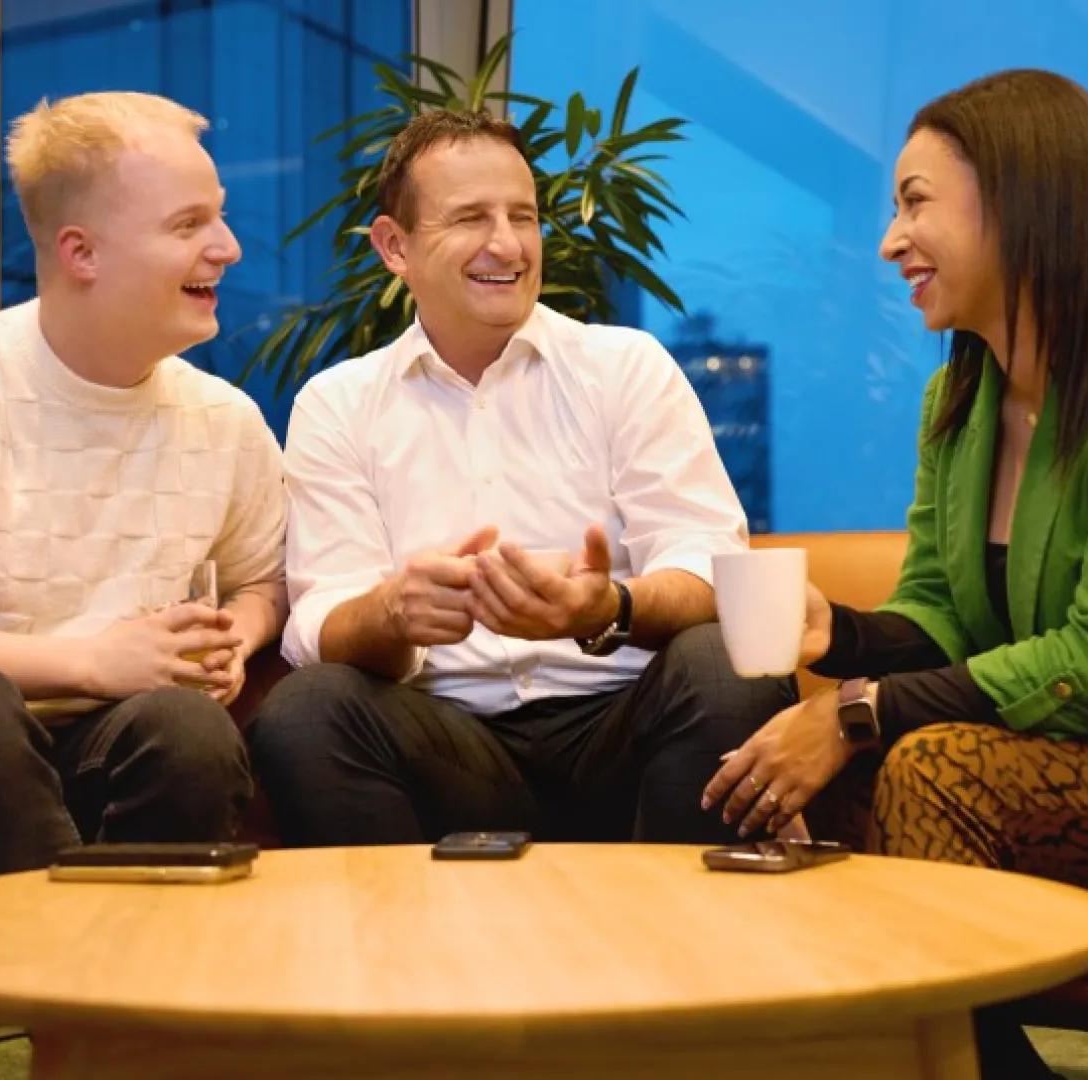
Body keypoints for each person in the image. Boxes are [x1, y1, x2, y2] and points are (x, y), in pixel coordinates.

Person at [701, 67, 1088, 1076]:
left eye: (915, 202)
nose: (889, 242)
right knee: (786, 779)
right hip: (1083, 736)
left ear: (1022, 200)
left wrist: (849, 710)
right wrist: (833, 632)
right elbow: (940, 613)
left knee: (933, 768)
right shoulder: (959, 407)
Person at [250, 109, 789, 846]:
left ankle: (684, 946)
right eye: (470, 218)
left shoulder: (623, 367)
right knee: (306, 709)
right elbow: (319, 620)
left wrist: (607, 604)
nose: (506, 244)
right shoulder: (338, 404)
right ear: (394, 246)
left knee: (731, 660)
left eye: (523, 216)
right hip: (450, 744)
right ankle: (401, 957)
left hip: (624, 724)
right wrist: (392, 613)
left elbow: (709, 565)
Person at [0, 91, 287, 882]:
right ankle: (33, 989)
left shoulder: (226, 420)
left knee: (188, 727)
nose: (228, 248)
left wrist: (237, 636)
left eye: (218, 217)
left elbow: (262, 579)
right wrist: (91, 662)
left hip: (100, 741)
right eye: (188, 226)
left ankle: (140, 998)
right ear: (81, 252)